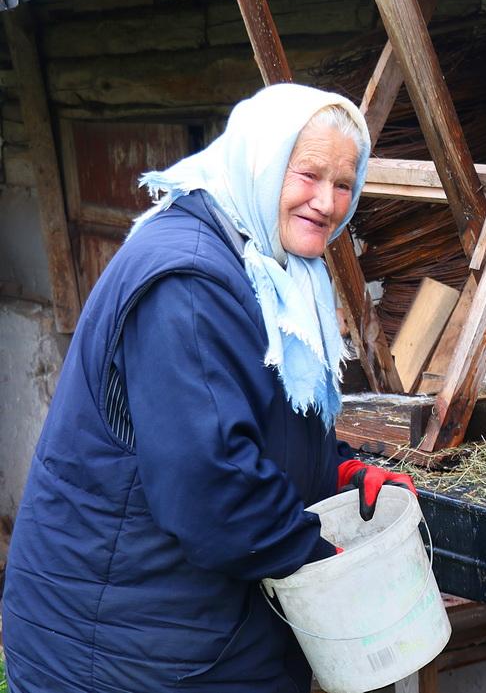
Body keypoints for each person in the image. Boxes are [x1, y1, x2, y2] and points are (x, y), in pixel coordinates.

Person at [2, 84, 414, 693]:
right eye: (308, 175)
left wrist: (338, 473)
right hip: (127, 647)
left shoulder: (266, 265)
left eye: (344, 184)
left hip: (185, 632)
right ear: (262, 162)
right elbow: (213, 487)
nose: (327, 202)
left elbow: (255, 418)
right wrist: (323, 566)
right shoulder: (190, 282)